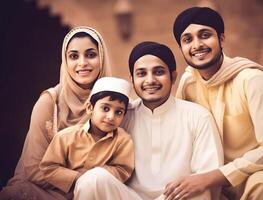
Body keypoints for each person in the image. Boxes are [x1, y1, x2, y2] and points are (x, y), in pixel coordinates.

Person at [167, 6, 263, 200]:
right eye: (188, 39)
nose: (197, 45)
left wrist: (211, 178)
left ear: (221, 39)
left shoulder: (253, 80)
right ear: (181, 48)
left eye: (205, 35)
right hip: (215, 181)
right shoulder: (188, 84)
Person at [75, 41, 223, 200]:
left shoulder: (197, 116)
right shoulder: (122, 117)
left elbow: (208, 178)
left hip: (176, 198)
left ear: (173, 76)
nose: (150, 80)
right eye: (141, 74)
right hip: (129, 197)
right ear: (132, 80)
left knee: (197, 191)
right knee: (93, 179)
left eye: (158, 72)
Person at [0, 26, 111, 200]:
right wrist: (82, 179)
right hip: (44, 192)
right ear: (65, 61)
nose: (82, 63)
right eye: (74, 56)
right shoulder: (50, 102)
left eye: (91, 54)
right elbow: (34, 167)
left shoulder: (114, 103)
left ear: (102, 58)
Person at [39, 77, 135, 199]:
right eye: (105, 108)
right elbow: (48, 167)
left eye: (119, 112)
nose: (111, 116)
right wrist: (77, 177)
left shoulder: (123, 140)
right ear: (90, 108)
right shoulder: (65, 136)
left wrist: (95, 177)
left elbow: (123, 170)